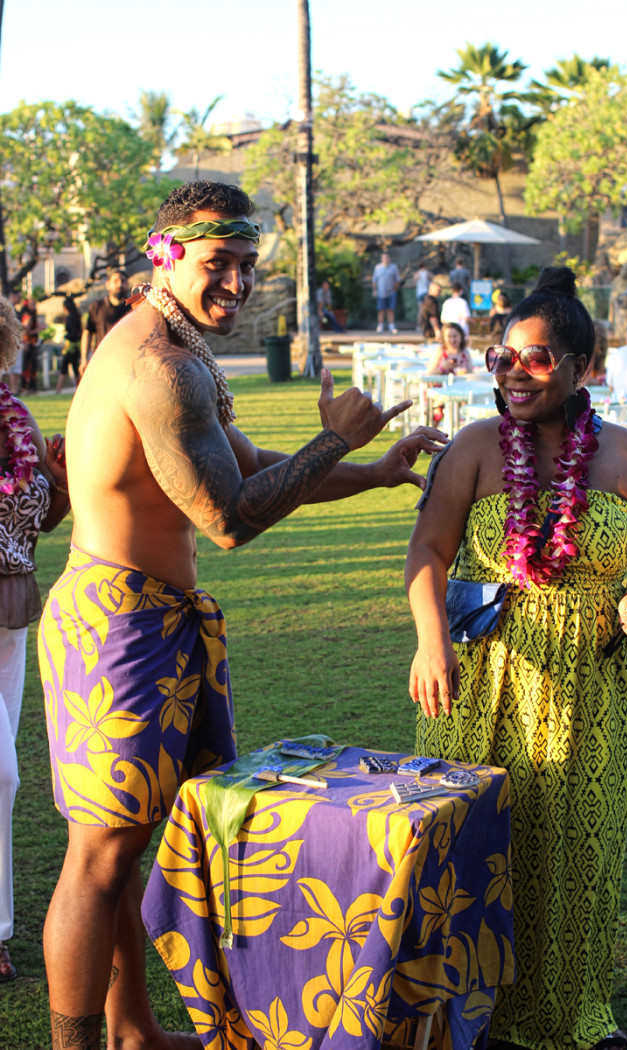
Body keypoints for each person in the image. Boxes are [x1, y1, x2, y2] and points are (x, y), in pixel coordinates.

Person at [37, 180, 446, 1050]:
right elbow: (225, 520)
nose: (237, 282)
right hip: (117, 629)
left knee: (141, 846)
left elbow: (254, 468)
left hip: (158, 622)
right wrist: (337, 439)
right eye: (219, 262)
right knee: (101, 857)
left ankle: (134, 1031)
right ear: (167, 254)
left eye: (248, 265)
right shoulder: (158, 365)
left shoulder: (185, 351)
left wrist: (370, 472)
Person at [405, 267, 627, 1050]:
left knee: (577, 854)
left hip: (596, 683)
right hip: (484, 677)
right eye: (503, 358)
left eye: (537, 358)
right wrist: (428, 641)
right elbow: (427, 549)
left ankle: (573, 1014)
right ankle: (466, 1015)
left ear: (586, 367)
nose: (514, 373)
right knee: (477, 846)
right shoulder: (475, 448)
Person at [0, 296, 70, 985]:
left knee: (0, 780)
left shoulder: (15, 419)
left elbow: (40, 515)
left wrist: (64, 479)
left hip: (11, 605)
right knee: (3, 772)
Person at [80, 269, 129, 373]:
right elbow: (87, 332)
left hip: (127, 362)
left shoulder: (133, 308)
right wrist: (84, 359)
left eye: (123, 281)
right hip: (102, 360)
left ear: (127, 284)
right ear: (108, 284)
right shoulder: (97, 307)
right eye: (115, 281)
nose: (120, 284)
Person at [55, 296, 83, 394]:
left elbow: (74, 333)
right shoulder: (77, 316)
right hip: (76, 345)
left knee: (66, 368)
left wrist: (66, 336)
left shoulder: (70, 317)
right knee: (73, 368)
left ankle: (59, 389)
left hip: (71, 346)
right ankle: (60, 389)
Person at [372, 251, 400, 334]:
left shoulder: (394, 267)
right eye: (383, 257)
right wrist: (374, 290)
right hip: (381, 293)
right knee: (381, 310)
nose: (385, 259)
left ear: (389, 258)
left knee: (390, 309)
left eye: (386, 257)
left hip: (391, 292)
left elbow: (397, 280)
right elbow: (374, 280)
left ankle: (392, 326)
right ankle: (380, 326)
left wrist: (394, 289)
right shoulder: (377, 267)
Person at [19, 298, 40, 394]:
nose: (34, 306)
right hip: (28, 344)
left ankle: (31, 387)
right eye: (33, 304)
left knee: (32, 366)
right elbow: (25, 330)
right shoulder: (28, 316)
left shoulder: (33, 316)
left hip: (32, 344)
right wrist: (38, 329)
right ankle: (26, 387)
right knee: (28, 366)